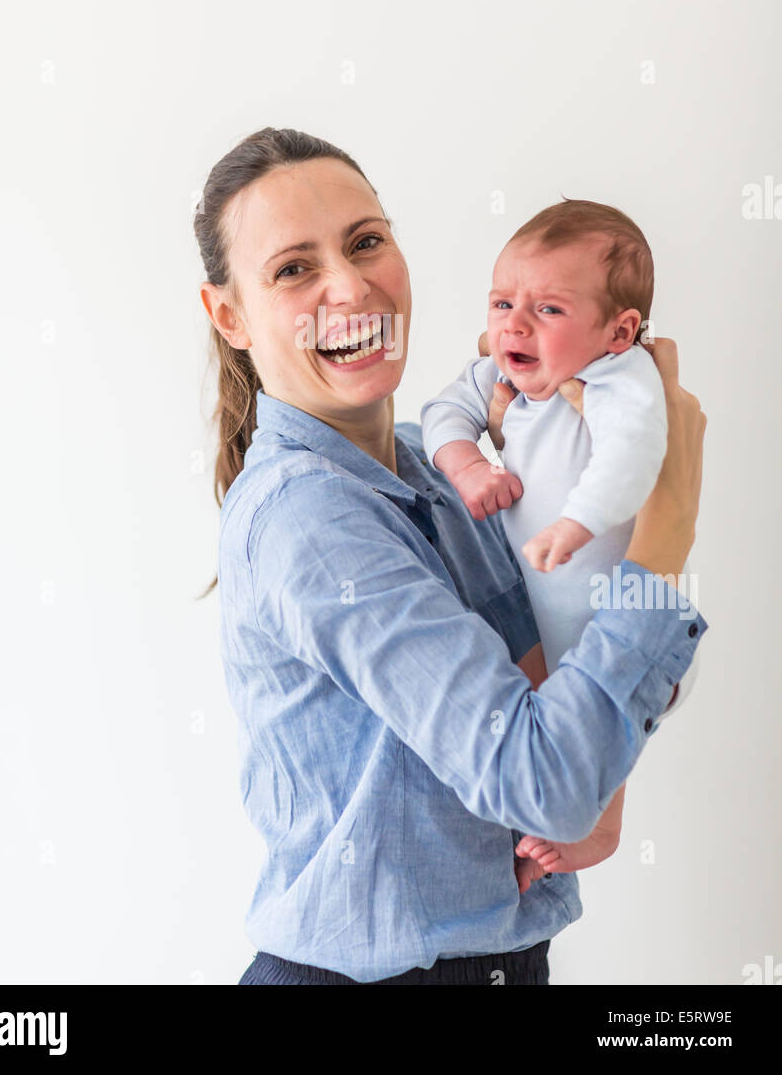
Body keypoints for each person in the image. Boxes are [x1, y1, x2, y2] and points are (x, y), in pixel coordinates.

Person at [194, 127, 707, 986]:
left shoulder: (439, 473)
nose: (351, 286)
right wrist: (668, 529)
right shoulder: (309, 519)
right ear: (229, 315)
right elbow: (546, 783)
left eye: (366, 242)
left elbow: (561, 691)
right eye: (293, 268)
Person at [420, 199, 700, 881]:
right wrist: (467, 463)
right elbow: (442, 412)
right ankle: (556, 827)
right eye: (501, 302)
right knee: (546, 730)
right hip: (537, 620)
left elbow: (633, 456)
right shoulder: (505, 370)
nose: (513, 323)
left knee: (604, 721)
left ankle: (602, 830)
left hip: (622, 620)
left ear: (618, 330)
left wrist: (576, 523)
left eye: (548, 309)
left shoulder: (619, 378)